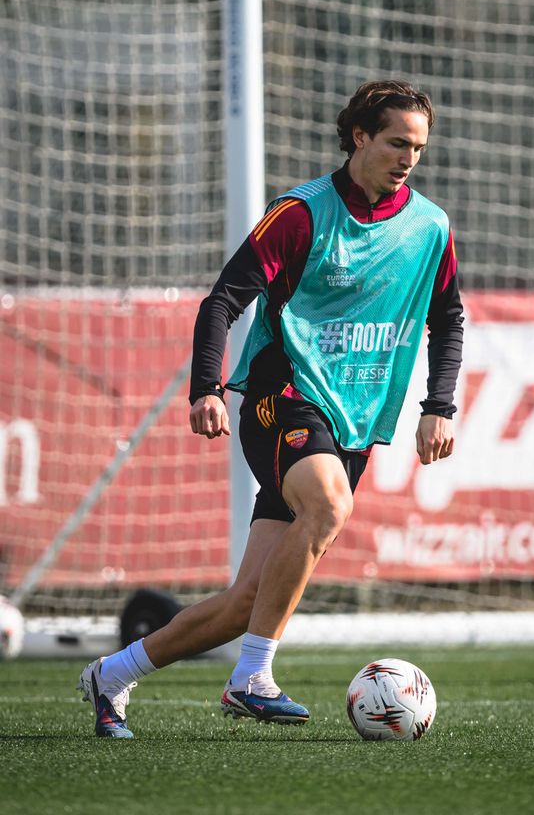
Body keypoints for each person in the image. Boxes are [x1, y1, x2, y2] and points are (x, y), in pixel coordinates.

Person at [77, 79, 464, 738]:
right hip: (279, 399)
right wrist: (206, 387)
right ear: (360, 137)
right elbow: (221, 302)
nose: (409, 158)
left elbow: (448, 316)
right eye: (398, 142)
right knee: (330, 506)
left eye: (420, 148)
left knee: (245, 602)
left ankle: (111, 676)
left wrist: (440, 404)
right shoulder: (302, 213)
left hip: (355, 420)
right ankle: (251, 679)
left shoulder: (429, 227)